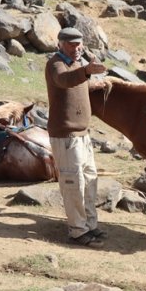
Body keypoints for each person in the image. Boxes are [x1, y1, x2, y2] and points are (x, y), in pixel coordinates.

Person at [45, 27, 108, 247]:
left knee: (90, 179)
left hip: (82, 133)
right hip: (65, 134)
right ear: (60, 44)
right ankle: (77, 230)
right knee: (73, 182)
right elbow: (64, 80)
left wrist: (93, 78)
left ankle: (90, 225)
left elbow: (78, 82)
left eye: (79, 43)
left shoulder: (78, 64)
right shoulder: (56, 64)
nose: (76, 48)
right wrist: (87, 71)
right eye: (71, 44)